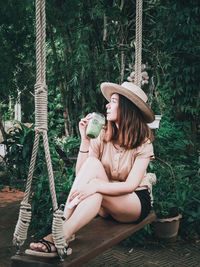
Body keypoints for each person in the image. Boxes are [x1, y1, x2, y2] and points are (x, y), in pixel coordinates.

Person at [28, 81, 155, 256]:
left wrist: (95, 186)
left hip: (133, 204)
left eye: (114, 101)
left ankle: (61, 234)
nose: (107, 105)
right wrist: (85, 140)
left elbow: (130, 185)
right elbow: (83, 174)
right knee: (93, 164)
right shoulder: (102, 134)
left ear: (128, 108)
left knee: (97, 189)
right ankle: (64, 228)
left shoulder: (143, 144)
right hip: (105, 203)